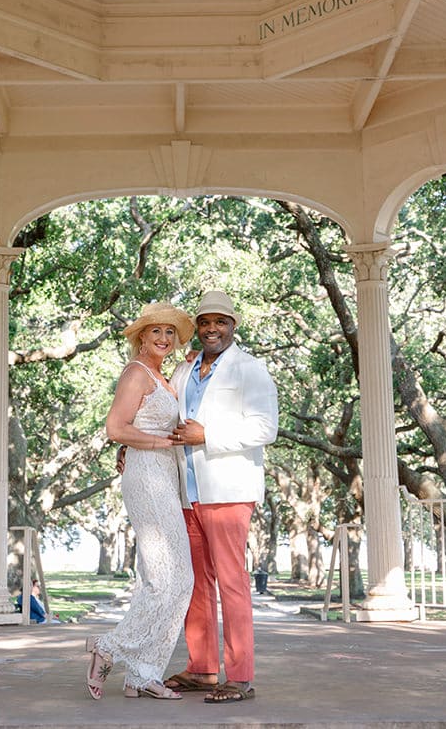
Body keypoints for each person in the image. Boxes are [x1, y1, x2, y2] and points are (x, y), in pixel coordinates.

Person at [163, 290, 278, 704]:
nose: (212, 329)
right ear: (198, 327)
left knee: (231, 583)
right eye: (205, 322)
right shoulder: (186, 368)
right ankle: (202, 669)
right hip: (187, 491)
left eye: (221, 322)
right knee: (196, 582)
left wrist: (207, 435)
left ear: (233, 326)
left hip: (228, 491)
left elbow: (266, 428)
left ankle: (240, 677)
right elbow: (166, 415)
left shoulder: (251, 369)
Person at [85, 302, 196, 701]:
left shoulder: (163, 377)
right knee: (163, 578)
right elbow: (116, 426)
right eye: (156, 333)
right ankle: (108, 648)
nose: (164, 339)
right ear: (141, 337)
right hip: (148, 474)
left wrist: (151, 444)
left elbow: (140, 423)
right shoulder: (136, 372)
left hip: (162, 472)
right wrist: (156, 443)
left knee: (180, 579)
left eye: (171, 333)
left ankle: (143, 673)